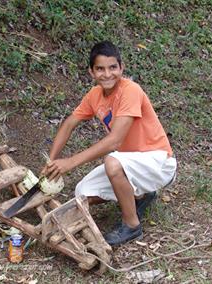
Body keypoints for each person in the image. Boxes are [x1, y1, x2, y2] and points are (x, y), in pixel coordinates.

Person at [42, 41, 177, 246]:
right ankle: (140, 195)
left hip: (158, 162)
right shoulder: (94, 95)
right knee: (82, 193)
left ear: (121, 68)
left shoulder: (131, 90)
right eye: (100, 69)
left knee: (112, 162)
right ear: (91, 72)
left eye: (113, 67)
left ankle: (132, 225)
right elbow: (70, 123)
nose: (107, 74)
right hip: (131, 163)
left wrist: (70, 162)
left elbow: (115, 140)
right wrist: (52, 161)